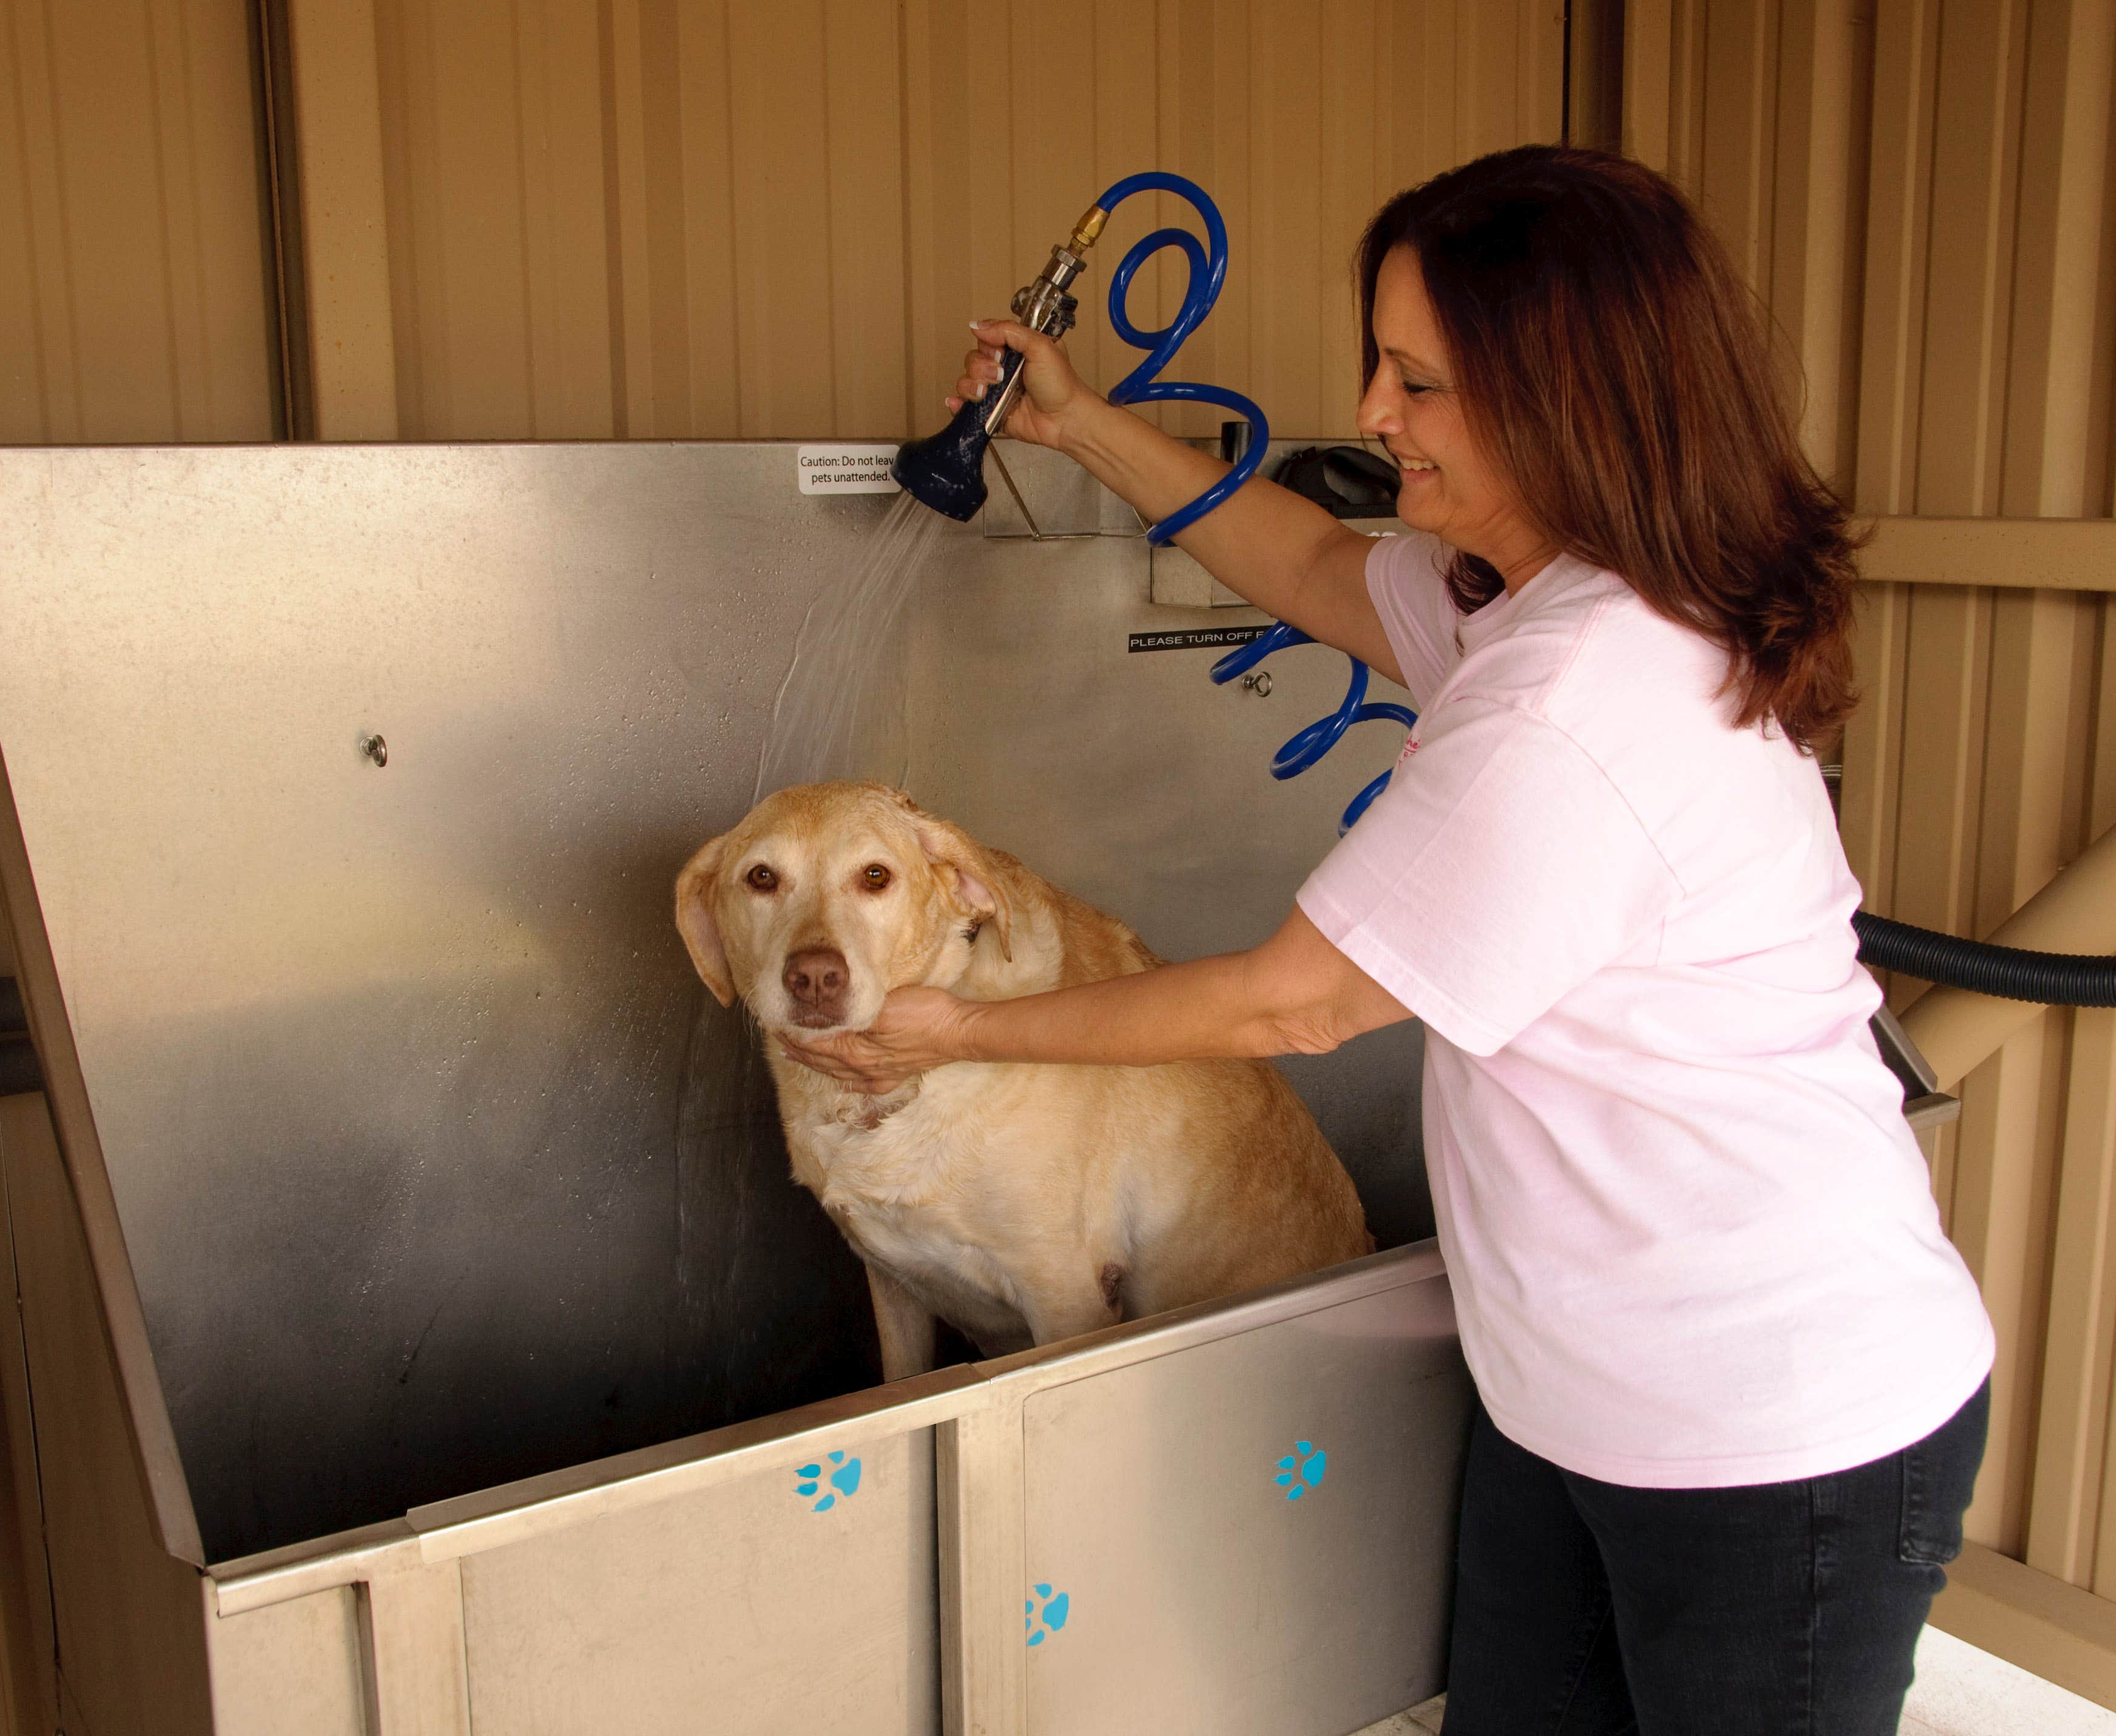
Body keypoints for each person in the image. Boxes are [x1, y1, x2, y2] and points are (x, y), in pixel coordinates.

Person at [785, 144, 1994, 1736]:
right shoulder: (1540, 596)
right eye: (1383, 365)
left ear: (1567, 404)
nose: (1371, 412)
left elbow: (1287, 1007)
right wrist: (1077, 425)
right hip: (1576, 1394)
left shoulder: (1577, 702)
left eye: (1419, 382)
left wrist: (952, 1030)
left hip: (1770, 1430)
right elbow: (1309, 567)